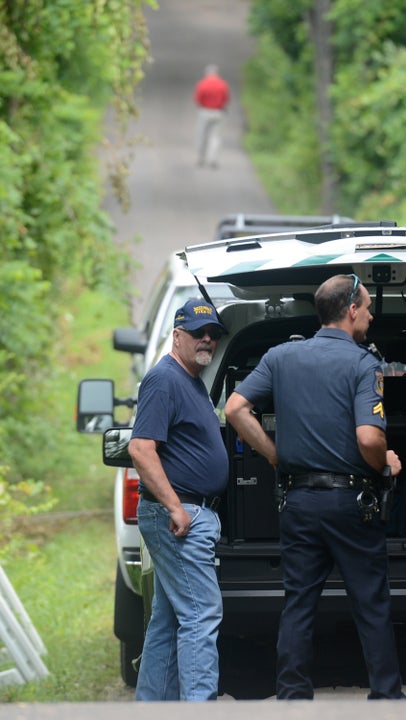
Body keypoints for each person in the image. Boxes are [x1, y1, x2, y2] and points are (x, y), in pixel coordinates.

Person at [224, 274, 405, 701]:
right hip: (351, 502)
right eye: (367, 306)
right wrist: (387, 465)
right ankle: (387, 699)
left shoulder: (281, 356)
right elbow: (369, 438)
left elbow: (234, 408)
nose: (372, 314)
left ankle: (292, 699)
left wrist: (275, 454)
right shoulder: (364, 364)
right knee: (371, 604)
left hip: (299, 501)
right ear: (351, 310)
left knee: (299, 604)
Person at [129, 298, 228, 701]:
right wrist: (174, 506)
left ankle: (150, 707)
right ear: (176, 336)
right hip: (178, 516)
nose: (207, 339)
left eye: (213, 334)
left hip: (187, 511)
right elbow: (140, 448)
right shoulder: (164, 378)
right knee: (201, 616)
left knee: (168, 622)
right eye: (198, 333)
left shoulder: (192, 379)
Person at [194, 64, 229, 168]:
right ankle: (213, 159)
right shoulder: (223, 84)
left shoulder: (202, 84)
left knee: (202, 135)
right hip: (218, 112)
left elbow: (198, 99)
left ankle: (201, 157)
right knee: (216, 137)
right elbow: (226, 99)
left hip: (205, 111)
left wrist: (203, 105)